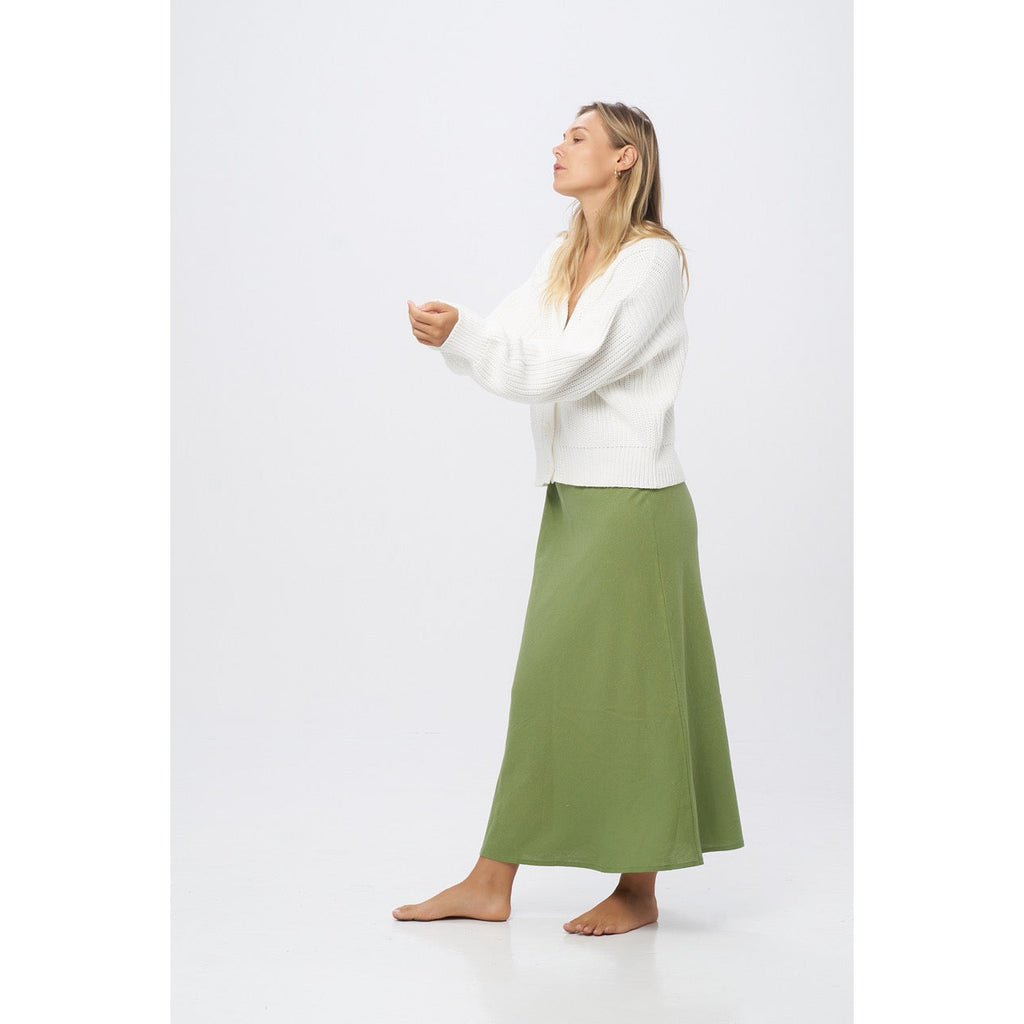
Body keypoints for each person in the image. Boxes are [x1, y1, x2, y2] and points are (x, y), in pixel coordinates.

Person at [398, 102, 744, 937]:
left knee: (640, 692)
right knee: (547, 689)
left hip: (634, 507)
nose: (558, 146)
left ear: (625, 158)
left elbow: (565, 367)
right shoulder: (566, 252)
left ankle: (637, 889)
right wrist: (456, 332)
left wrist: (468, 339)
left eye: (578, 136)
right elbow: (511, 337)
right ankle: (492, 881)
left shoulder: (651, 261)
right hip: (573, 498)